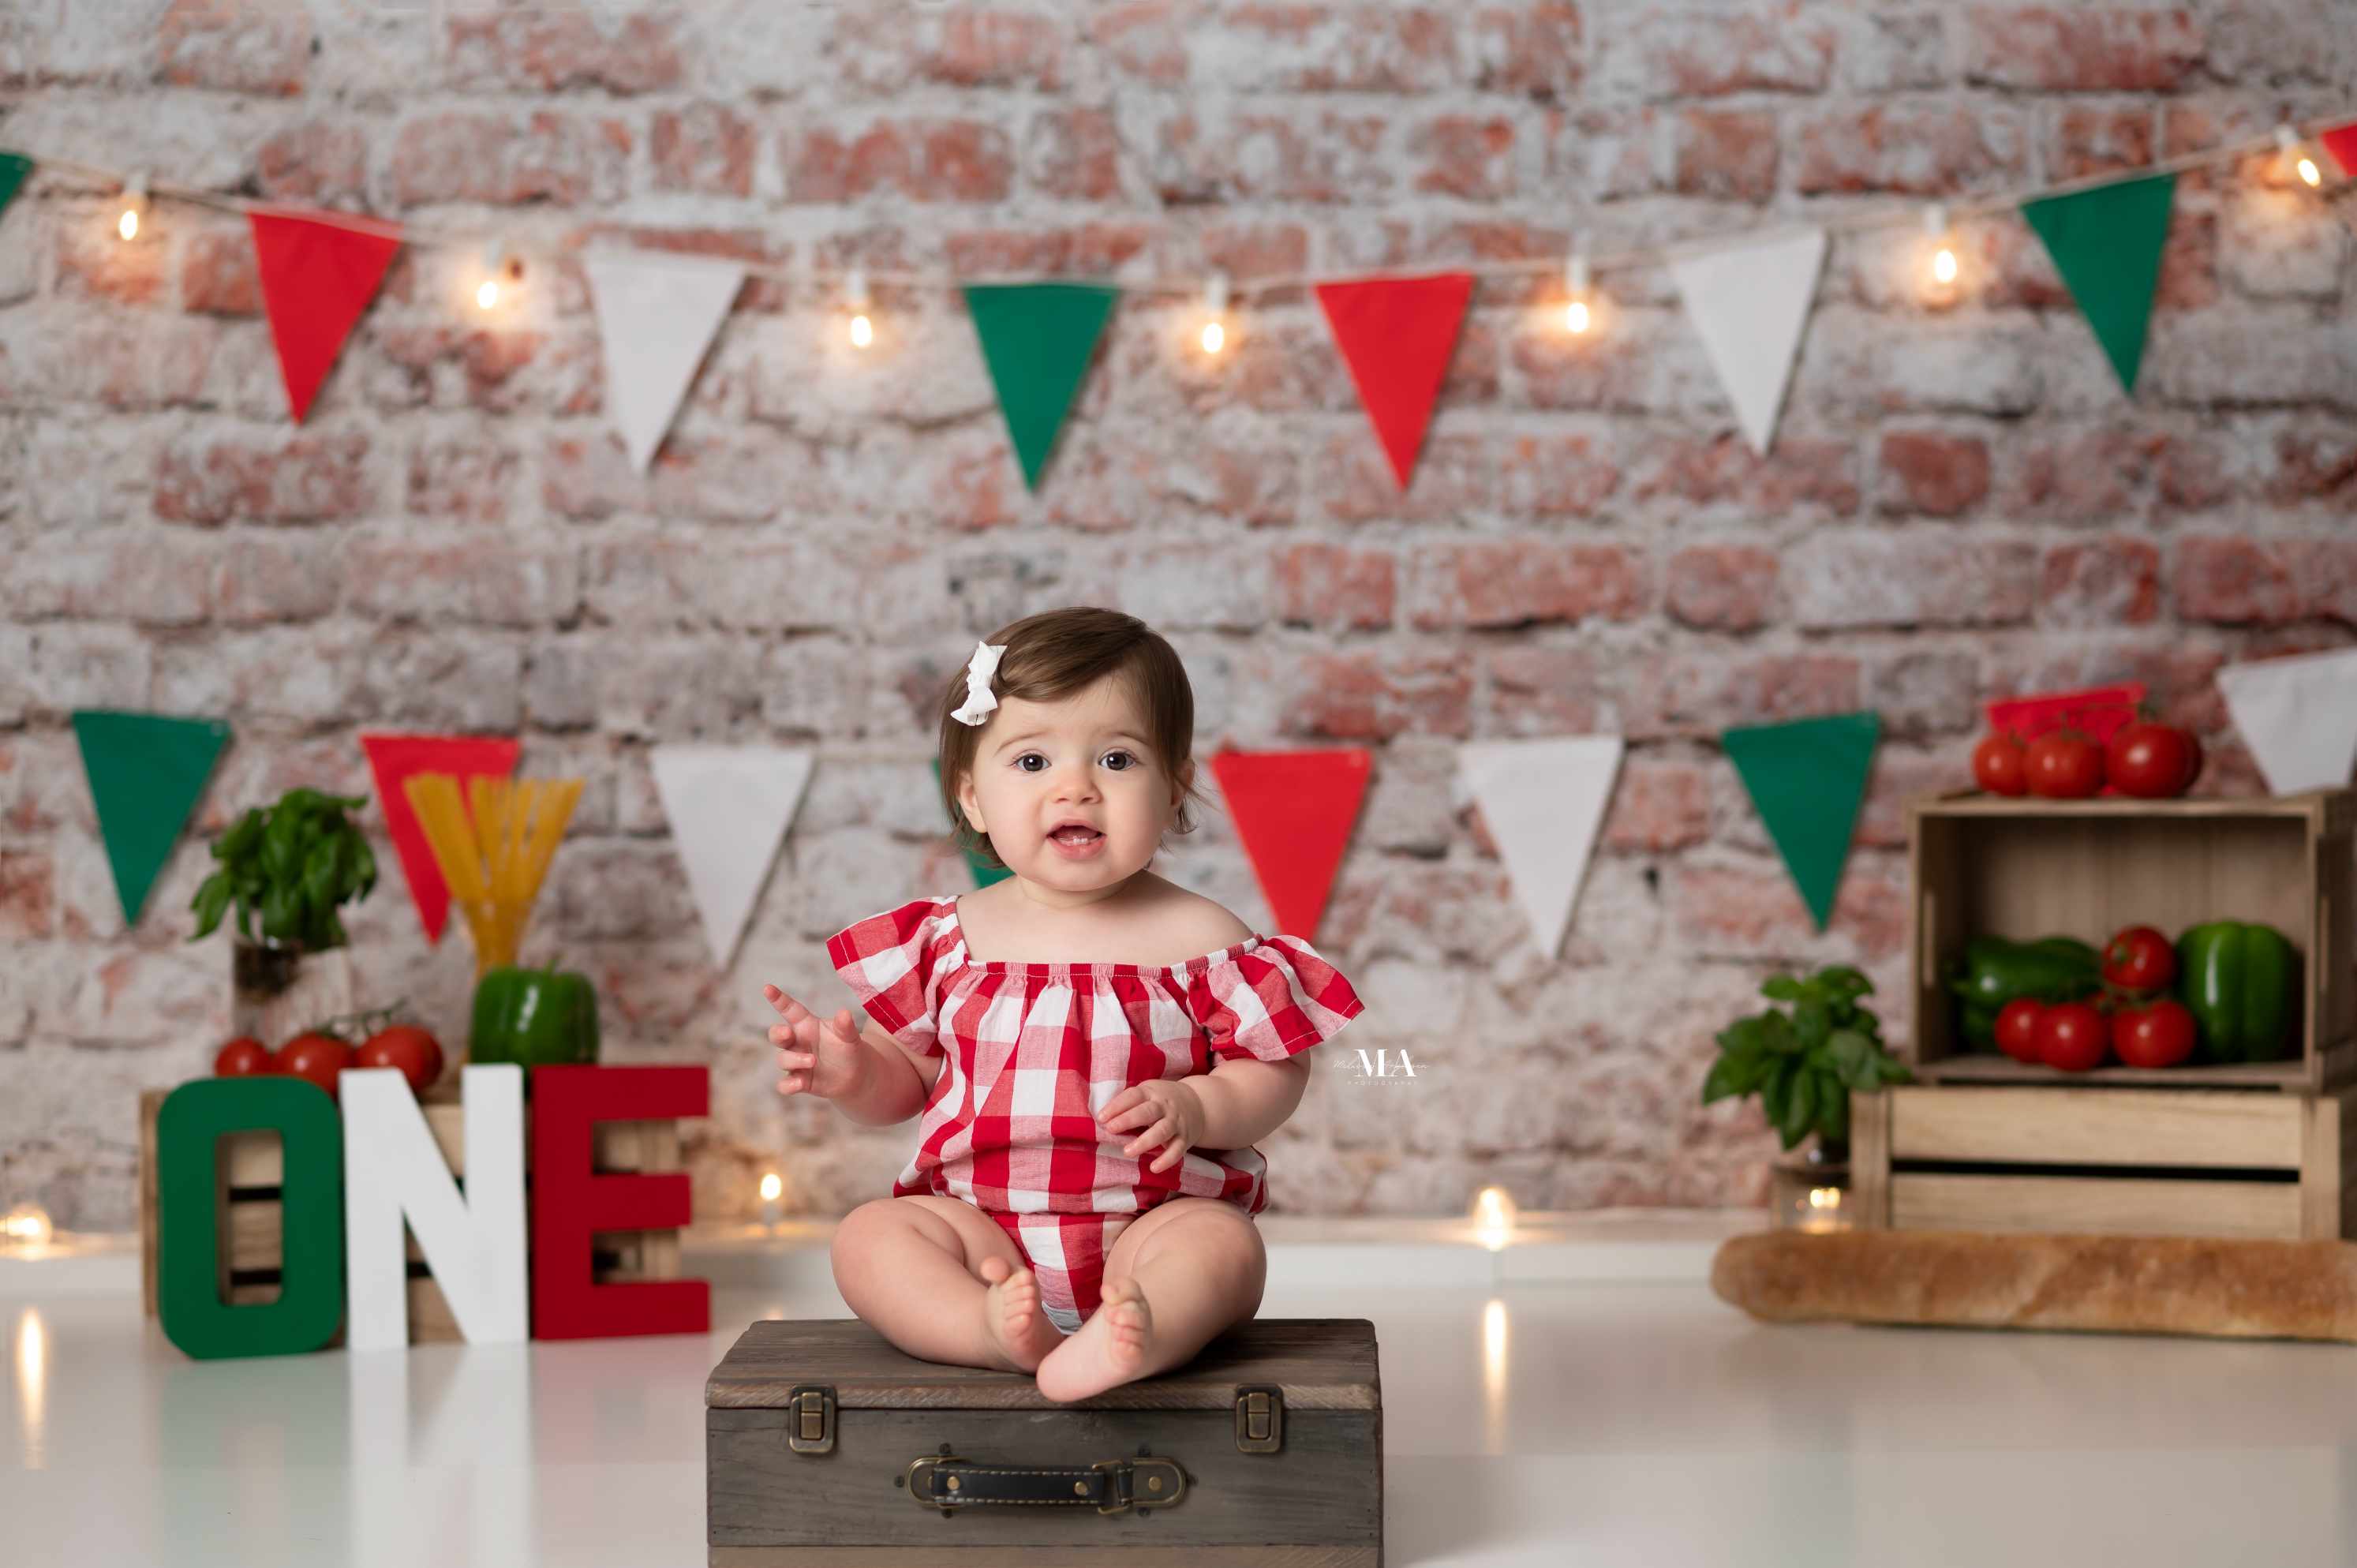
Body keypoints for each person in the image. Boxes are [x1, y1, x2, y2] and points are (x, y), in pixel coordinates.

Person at [763, 605, 1364, 1402]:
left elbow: (1276, 1071)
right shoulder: (952, 939)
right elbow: (907, 1084)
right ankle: (985, 1329)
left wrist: (1199, 1102)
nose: (1074, 785)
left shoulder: (1202, 938)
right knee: (868, 1239)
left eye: (1115, 758)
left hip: (1151, 1220)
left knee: (1224, 1251)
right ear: (973, 799)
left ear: (1174, 788)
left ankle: (1139, 1330)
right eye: (1032, 760)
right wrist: (854, 1074)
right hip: (982, 1230)